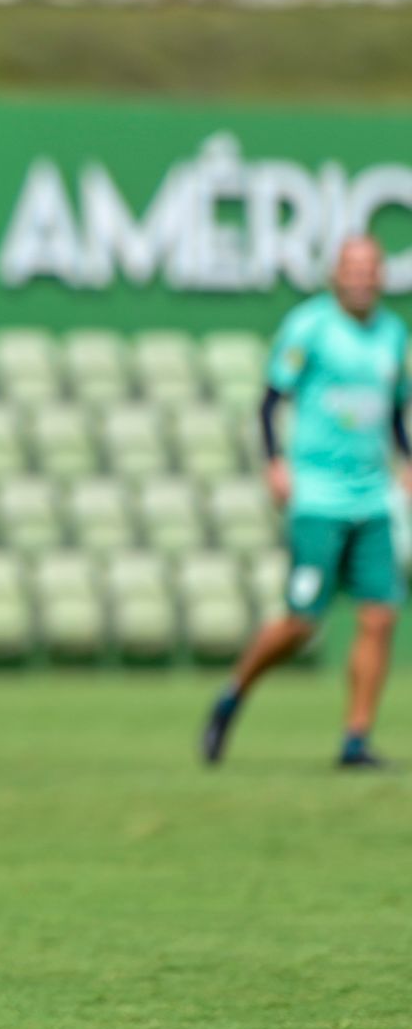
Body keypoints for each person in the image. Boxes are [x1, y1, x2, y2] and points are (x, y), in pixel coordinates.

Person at [202, 235, 408, 769]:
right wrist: (275, 463)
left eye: (371, 268)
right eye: (353, 267)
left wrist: (405, 461)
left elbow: (393, 413)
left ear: (382, 276)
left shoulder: (392, 334)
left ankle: (355, 739)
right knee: (301, 622)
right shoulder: (310, 326)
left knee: (381, 616)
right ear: (336, 274)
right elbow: (271, 400)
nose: (362, 277)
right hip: (318, 496)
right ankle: (233, 694)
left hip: (372, 497)